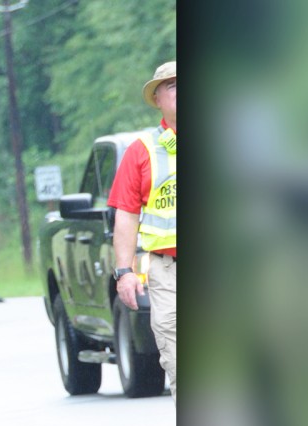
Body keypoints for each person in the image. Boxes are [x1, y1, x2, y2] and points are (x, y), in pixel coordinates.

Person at [110, 60, 177, 401]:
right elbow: (126, 215)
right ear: (159, 100)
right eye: (174, 87)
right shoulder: (142, 151)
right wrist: (125, 272)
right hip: (167, 271)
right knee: (177, 358)